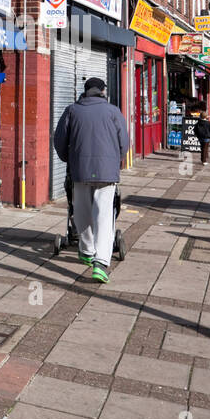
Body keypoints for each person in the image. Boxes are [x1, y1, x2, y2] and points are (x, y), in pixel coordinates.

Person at [53, 78, 129, 284]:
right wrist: (116, 160)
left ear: (85, 92)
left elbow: (59, 140)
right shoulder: (113, 111)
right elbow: (125, 143)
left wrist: (69, 159)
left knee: (82, 213)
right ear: (103, 91)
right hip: (107, 173)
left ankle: (86, 250)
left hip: (80, 171)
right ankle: (101, 263)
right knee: (103, 216)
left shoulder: (72, 110)